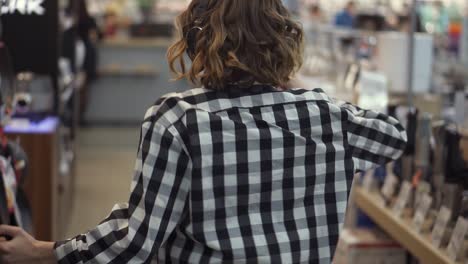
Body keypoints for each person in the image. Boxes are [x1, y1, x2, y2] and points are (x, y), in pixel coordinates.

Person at [0, 0, 407, 263]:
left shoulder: (177, 119)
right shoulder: (324, 115)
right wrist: (296, 87)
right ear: (284, 40)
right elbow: (393, 137)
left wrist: (44, 251)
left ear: (198, 44)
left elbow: (139, 241)